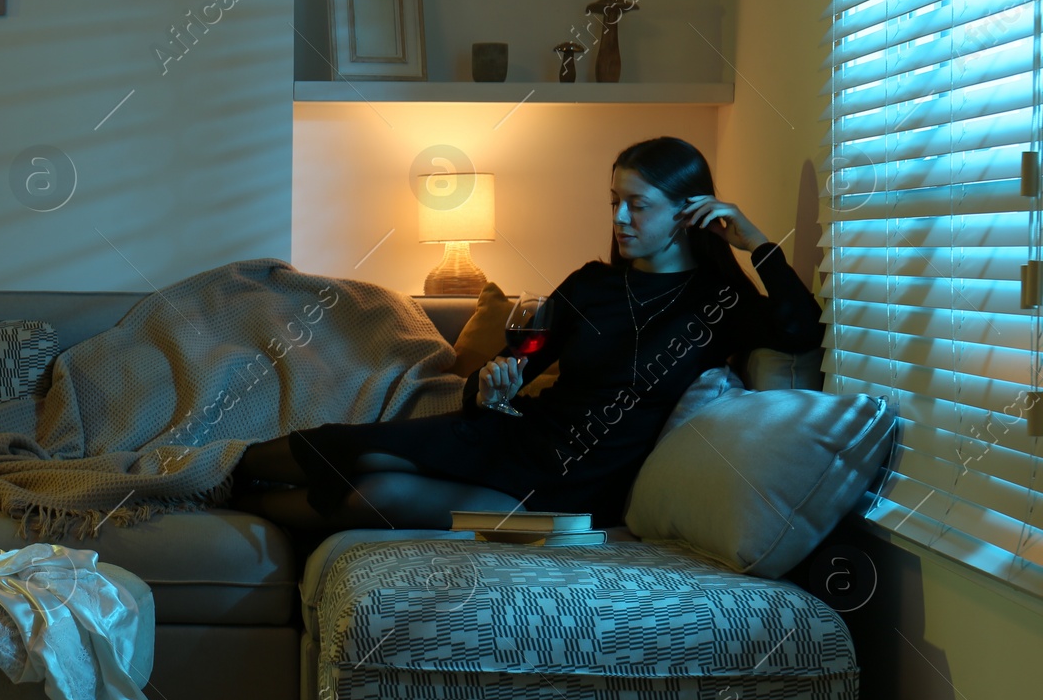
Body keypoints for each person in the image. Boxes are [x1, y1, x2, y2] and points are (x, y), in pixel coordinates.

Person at [229, 136, 825, 532]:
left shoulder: (719, 302)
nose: (619, 219)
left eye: (637, 205)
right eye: (615, 201)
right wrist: (494, 384)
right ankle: (216, 475)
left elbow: (799, 330)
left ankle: (238, 505)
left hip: (576, 485)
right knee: (349, 446)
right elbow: (515, 368)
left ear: (689, 211)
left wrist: (754, 241)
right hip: (518, 436)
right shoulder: (591, 285)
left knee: (373, 494)